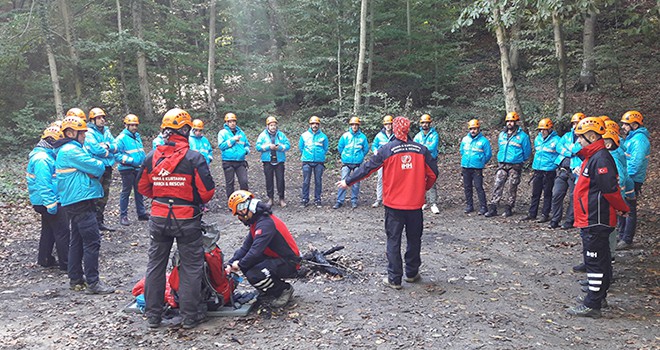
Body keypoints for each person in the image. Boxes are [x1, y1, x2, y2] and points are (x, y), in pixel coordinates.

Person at [337, 116, 438, 290]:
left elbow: (367, 168)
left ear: (395, 128)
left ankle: (395, 279)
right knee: (414, 239)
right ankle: (412, 273)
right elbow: (433, 174)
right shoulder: (422, 150)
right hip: (414, 205)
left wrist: (348, 181)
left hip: (394, 205)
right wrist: (422, 189)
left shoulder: (387, 149)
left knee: (393, 240)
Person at [137, 108, 216, 329]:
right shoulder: (194, 158)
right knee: (191, 266)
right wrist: (186, 197)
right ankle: (190, 316)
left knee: (155, 265)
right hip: (186, 219)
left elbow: (143, 186)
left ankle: (153, 316)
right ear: (185, 130)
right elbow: (207, 192)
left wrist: (163, 195)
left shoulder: (151, 158)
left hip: (159, 218)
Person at [567, 117, 629, 318]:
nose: (579, 141)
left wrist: (622, 207)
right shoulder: (593, 156)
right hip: (591, 216)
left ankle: (592, 303)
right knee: (600, 260)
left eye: (581, 138)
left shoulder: (600, 158)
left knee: (594, 260)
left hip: (596, 217)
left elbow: (610, 189)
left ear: (592, 136)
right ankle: (599, 297)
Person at [55, 116, 115, 294]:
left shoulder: (70, 149)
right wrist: (92, 169)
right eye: (82, 133)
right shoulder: (71, 151)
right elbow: (98, 166)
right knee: (92, 241)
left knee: (78, 240)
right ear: (71, 133)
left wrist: (89, 170)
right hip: (80, 200)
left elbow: (92, 168)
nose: (84, 137)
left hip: (75, 199)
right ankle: (93, 283)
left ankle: (75, 279)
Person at [225, 190, 300, 307]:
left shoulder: (265, 224)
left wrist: (239, 265)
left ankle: (283, 290)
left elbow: (255, 252)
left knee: (254, 273)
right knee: (246, 262)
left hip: (289, 262)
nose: (239, 218)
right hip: (275, 258)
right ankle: (269, 290)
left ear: (243, 210)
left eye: (238, 215)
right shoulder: (257, 221)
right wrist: (230, 264)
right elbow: (246, 247)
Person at [27, 125, 69, 270]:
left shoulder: (45, 155)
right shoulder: (42, 159)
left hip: (44, 201)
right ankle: (66, 264)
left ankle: (45, 259)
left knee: (48, 230)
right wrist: (51, 204)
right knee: (62, 231)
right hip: (49, 201)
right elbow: (43, 184)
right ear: (52, 140)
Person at [484, 111, 532, 218]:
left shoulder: (523, 136)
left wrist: (520, 160)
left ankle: (509, 207)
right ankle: (493, 207)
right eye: (508, 121)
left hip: (515, 165)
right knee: (497, 184)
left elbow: (527, 151)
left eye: (512, 121)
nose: (510, 123)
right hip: (502, 164)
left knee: (512, 186)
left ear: (516, 122)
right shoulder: (502, 135)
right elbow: (500, 148)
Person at [617, 110, 650, 250]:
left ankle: (627, 239)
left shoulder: (639, 140)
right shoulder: (631, 138)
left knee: (629, 208)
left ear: (634, 125)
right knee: (622, 207)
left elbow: (635, 163)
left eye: (626, 124)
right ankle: (621, 235)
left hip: (633, 179)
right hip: (628, 177)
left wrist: (626, 178)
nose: (623, 127)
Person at [549, 112, 585, 230]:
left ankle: (569, 221)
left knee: (573, 196)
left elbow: (577, 148)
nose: (575, 125)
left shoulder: (584, 138)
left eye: (578, 123)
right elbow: (559, 147)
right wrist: (569, 152)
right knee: (556, 194)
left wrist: (568, 148)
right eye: (574, 123)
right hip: (563, 169)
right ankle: (555, 220)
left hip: (575, 170)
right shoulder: (566, 136)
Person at [85, 107, 118, 232]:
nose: (102, 120)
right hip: (97, 167)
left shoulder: (107, 131)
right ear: (93, 120)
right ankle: (93, 224)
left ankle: (100, 221)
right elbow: (95, 149)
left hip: (108, 166)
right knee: (95, 195)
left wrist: (107, 146)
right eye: (99, 118)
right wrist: (108, 152)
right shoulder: (89, 132)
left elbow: (116, 146)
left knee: (104, 195)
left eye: (103, 117)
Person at [522, 118, 560, 222]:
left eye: (544, 129)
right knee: (535, 193)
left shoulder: (557, 140)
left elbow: (560, 154)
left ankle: (545, 214)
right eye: (540, 129)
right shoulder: (538, 139)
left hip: (549, 170)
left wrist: (554, 165)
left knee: (547, 193)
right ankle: (532, 213)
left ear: (550, 129)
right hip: (538, 169)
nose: (542, 131)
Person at [114, 114, 148, 226]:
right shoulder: (121, 138)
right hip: (126, 169)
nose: (134, 127)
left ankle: (141, 213)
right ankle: (123, 216)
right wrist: (129, 160)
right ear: (126, 125)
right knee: (126, 192)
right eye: (131, 125)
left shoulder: (137, 136)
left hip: (138, 168)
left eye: (135, 125)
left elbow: (140, 151)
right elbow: (116, 154)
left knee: (139, 191)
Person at [333, 117, 369, 210]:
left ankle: (354, 200)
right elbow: (340, 147)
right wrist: (344, 156)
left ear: (358, 126)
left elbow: (365, 149)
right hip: (346, 162)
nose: (354, 126)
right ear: (350, 125)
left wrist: (360, 157)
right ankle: (340, 201)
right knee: (343, 181)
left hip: (357, 163)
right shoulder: (345, 136)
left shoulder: (362, 137)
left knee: (356, 182)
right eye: (353, 125)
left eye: (356, 125)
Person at [255, 116, 291, 207]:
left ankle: (281, 199)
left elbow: (288, 145)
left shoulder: (281, 135)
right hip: (267, 161)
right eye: (271, 125)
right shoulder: (262, 135)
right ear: (267, 126)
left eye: (274, 125)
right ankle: (270, 198)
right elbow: (258, 147)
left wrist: (280, 147)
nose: (273, 127)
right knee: (269, 180)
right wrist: (268, 147)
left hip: (279, 161)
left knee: (280, 180)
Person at [459, 119, 492, 214]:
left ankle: (483, 206)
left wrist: (481, 161)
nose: (473, 131)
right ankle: (469, 205)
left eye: (475, 129)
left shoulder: (484, 141)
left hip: (477, 168)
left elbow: (488, 154)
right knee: (467, 187)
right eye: (471, 129)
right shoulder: (465, 139)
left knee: (478, 187)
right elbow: (462, 151)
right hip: (466, 166)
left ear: (478, 129)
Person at [217, 112, 250, 199]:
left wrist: (245, 151)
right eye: (230, 121)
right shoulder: (222, 133)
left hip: (240, 161)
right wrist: (232, 140)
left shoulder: (241, 133)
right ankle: (231, 202)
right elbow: (221, 146)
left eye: (234, 121)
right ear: (226, 122)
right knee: (230, 183)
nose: (232, 123)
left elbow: (246, 144)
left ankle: (245, 200)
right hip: (228, 161)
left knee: (244, 182)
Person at [298, 116, 329, 208]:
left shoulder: (323, 136)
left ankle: (318, 199)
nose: (314, 125)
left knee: (318, 181)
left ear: (319, 125)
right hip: (307, 161)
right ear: (310, 125)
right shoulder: (304, 135)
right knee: (306, 181)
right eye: (313, 124)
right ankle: (305, 199)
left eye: (316, 124)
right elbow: (301, 147)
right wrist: (307, 156)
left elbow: (325, 148)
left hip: (319, 162)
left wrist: (320, 155)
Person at [414, 114, 441, 214]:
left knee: (432, 179)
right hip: (420, 161)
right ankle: (423, 201)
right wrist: (424, 148)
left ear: (429, 123)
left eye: (426, 123)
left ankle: (433, 203)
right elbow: (415, 148)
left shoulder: (434, 135)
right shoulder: (418, 136)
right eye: (423, 123)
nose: (425, 124)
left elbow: (432, 147)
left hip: (431, 160)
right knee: (420, 181)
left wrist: (421, 148)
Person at [370, 115, 395, 208]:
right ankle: (379, 199)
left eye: (390, 124)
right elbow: (374, 145)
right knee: (380, 179)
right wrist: (375, 151)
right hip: (381, 160)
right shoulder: (379, 136)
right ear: (384, 125)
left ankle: (390, 198)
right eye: (386, 124)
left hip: (392, 161)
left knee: (392, 180)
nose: (388, 126)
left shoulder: (395, 135)